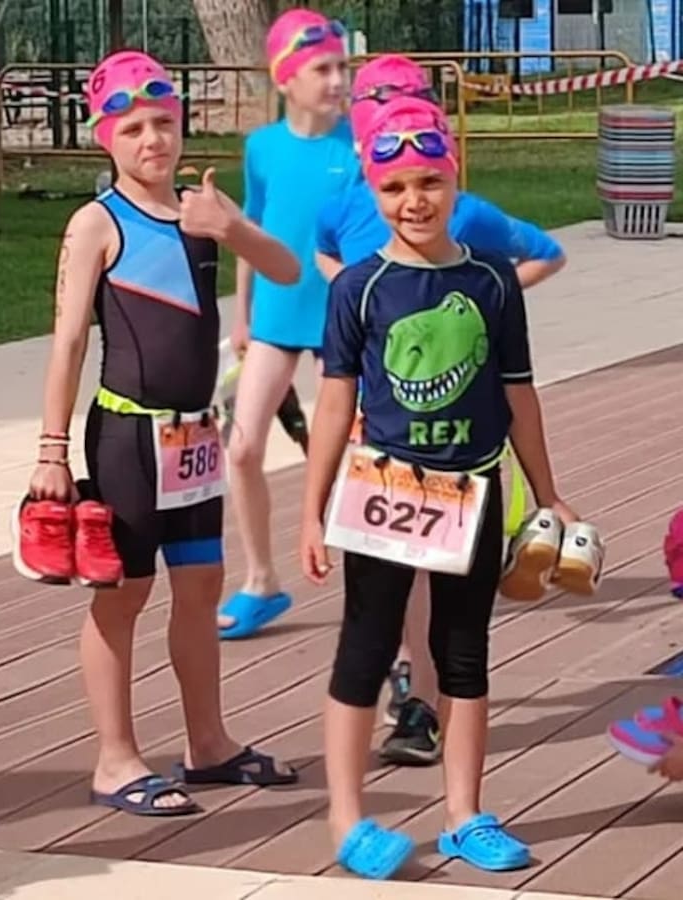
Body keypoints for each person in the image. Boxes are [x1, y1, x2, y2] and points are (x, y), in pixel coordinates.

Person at [299, 96, 578, 878]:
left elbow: (519, 394)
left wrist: (548, 493)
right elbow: (334, 404)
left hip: (472, 488)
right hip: (385, 489)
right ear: (373, 191)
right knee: (365, 647)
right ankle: (347, 818)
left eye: (429, 182)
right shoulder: (359, 287)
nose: (414, 201)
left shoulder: (493, 282)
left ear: (455, 180)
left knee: (464, 652)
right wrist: (311, 511)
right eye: (394, 188)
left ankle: (463, 813)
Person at [20, 48, 302, 816]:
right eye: (133, 128)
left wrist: (232, 227)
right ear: (105, 139)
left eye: (163, 123)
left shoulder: (201, 210)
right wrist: (51, 450)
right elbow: (68, 343)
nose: (153, 140)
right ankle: (114, 759)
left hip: (193, 438)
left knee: (202, 585)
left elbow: (286, 271)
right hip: (128, 438)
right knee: (124, 593)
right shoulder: (97, 223)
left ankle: (207, 743)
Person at [219, 8, 361, 641]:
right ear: (285, 79)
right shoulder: (263, 148)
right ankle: (261, 579)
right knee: (242, 447)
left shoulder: (357, 146)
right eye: (322, 69)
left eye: (341, 67)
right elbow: (251, 230)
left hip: (341, 321)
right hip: (276, 317)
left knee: (349, 458)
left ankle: (375, 587)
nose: (336, 81)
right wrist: (242, 315)